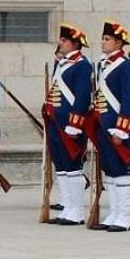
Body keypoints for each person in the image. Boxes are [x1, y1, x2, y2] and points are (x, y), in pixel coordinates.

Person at [91, 22, 130, 232]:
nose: (103, 42)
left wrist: (122, 129)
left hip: (117, 128)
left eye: (107, 39)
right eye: (103, 38)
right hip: (104, 124)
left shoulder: (126, 66)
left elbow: (129, 100)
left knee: (121, 171)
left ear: (119, 43)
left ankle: (124, 216)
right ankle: (113, 213)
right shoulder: (103, 64)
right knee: (110, 171)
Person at [45, 24, 94, 226]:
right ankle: (68, 208)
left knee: (73, 166)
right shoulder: (62, 64)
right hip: (56, 122)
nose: (61, 44)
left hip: (70, 124)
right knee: (62, 166)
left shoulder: (82, 65)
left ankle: (77, 212)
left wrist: (75, 123)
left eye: (64, 41)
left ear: (75, 44)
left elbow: (82, 96)